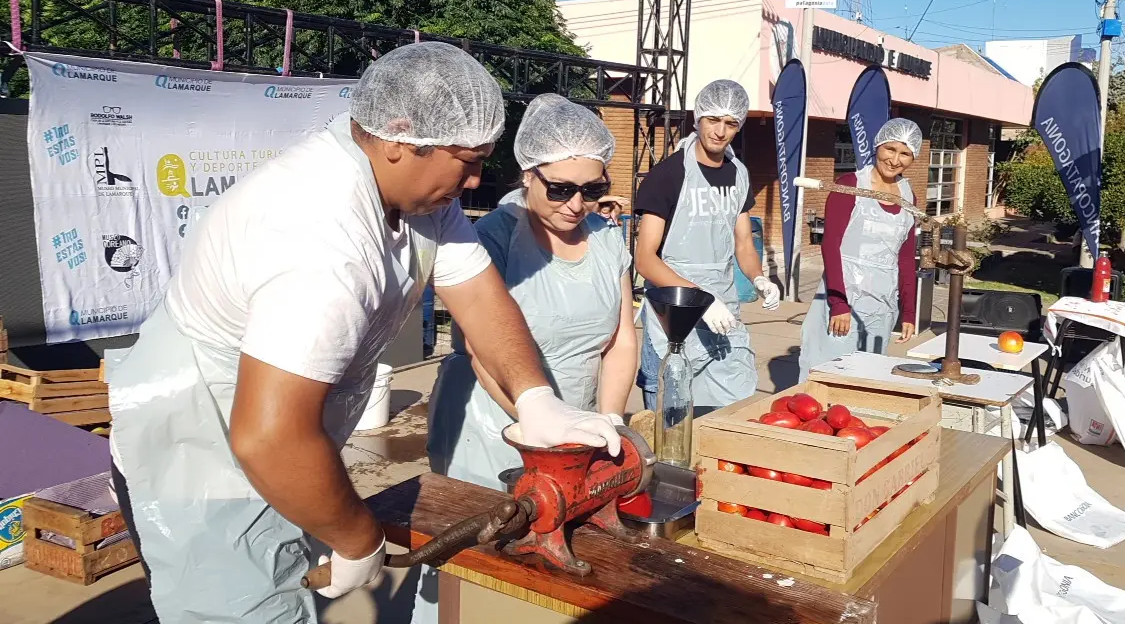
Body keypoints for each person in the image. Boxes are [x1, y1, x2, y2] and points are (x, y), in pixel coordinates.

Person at [106, 42, 623, 624]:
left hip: (276, 439)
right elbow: (268, 440)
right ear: (401, 141)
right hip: (200, 455)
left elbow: (481, 297)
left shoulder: (417, 195)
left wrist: (535, 399)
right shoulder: (321, 239)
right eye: (468, 159)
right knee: (248, 606)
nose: (478, 178)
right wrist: (358, 538)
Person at [412, 93, 636, 623]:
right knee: (469, 575)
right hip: (493, 427)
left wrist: (608, 419)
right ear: (527, 175)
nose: (576, 204)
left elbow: (621, 339)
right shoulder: (490, 241)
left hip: (572, 435)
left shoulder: (607, 241)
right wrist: (537, 425)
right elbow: (481, 348)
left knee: (539, 587)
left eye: (592, 189)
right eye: (560, 188)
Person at [634, 79, 781, 410]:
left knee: (734, 409)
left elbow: (743, 241)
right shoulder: (669, 175)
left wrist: (759, 277)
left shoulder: (738, 174)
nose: (720, 131)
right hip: (673, 310)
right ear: (698, 118)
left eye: (731, 123)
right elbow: (645, 259)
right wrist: (699, 298)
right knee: (672, 415)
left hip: (723, 311)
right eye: (713, 120)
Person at [797, 118, 922, 383]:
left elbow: (906, 256)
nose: (895, 160)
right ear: (878, 146)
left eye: (905, 154)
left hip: (882, 305)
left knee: (869, 378)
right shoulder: (849, 185)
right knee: (830, 375)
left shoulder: (908, 194)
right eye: (890, 149)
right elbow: (830, 245)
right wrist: (839, 303)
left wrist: (909, 310)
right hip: (845, 299)